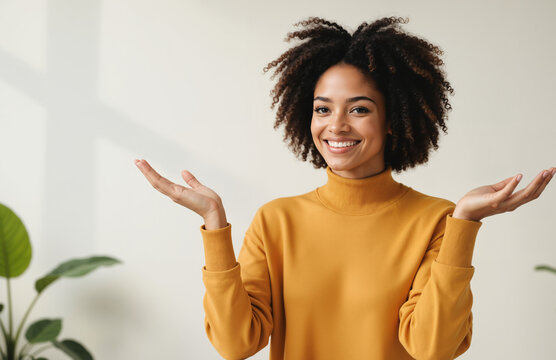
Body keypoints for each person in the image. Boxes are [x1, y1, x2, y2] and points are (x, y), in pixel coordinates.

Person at [135, 16, 555, 360]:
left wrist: (464, 221)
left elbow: (432, 347)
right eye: (322, 108)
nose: (336, 125)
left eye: (359, 109)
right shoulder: (276, 220)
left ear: (392, 119)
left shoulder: (436, 219)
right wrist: (214, 225)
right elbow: (235, 343)